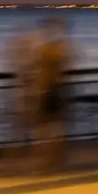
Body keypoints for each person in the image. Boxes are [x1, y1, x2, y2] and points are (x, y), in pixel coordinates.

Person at [35, 17, 73, 173]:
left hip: (50, 90)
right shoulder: (57, 47)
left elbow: (53, 67)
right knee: (54, 125)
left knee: (47, 125)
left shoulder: (53, 48)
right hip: (53, 89)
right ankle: (53, 158)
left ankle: (51, 159)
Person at [3, 23, 42, 175]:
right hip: (28, 95)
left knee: (21, 129)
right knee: (25, 129)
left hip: (27, 95)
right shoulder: (31, 61)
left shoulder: (25, 62)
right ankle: (21, 161)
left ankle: (16, 162)